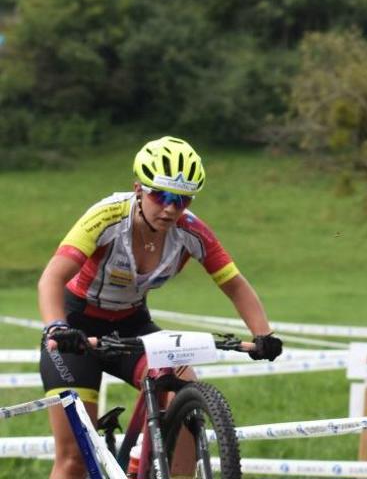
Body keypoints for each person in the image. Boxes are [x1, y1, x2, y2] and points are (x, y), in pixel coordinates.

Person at [38, 136, 283, 479]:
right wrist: (56, 328)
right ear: (138, 188)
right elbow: (51, 279)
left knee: (184, 384)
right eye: (161, 195)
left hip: (131, 323)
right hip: (76, 328)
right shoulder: (107, 217)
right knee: (75, 459)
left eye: (181, 200)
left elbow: (235, 284)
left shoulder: (191, 231)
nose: (170, 207)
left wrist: (263, 334)